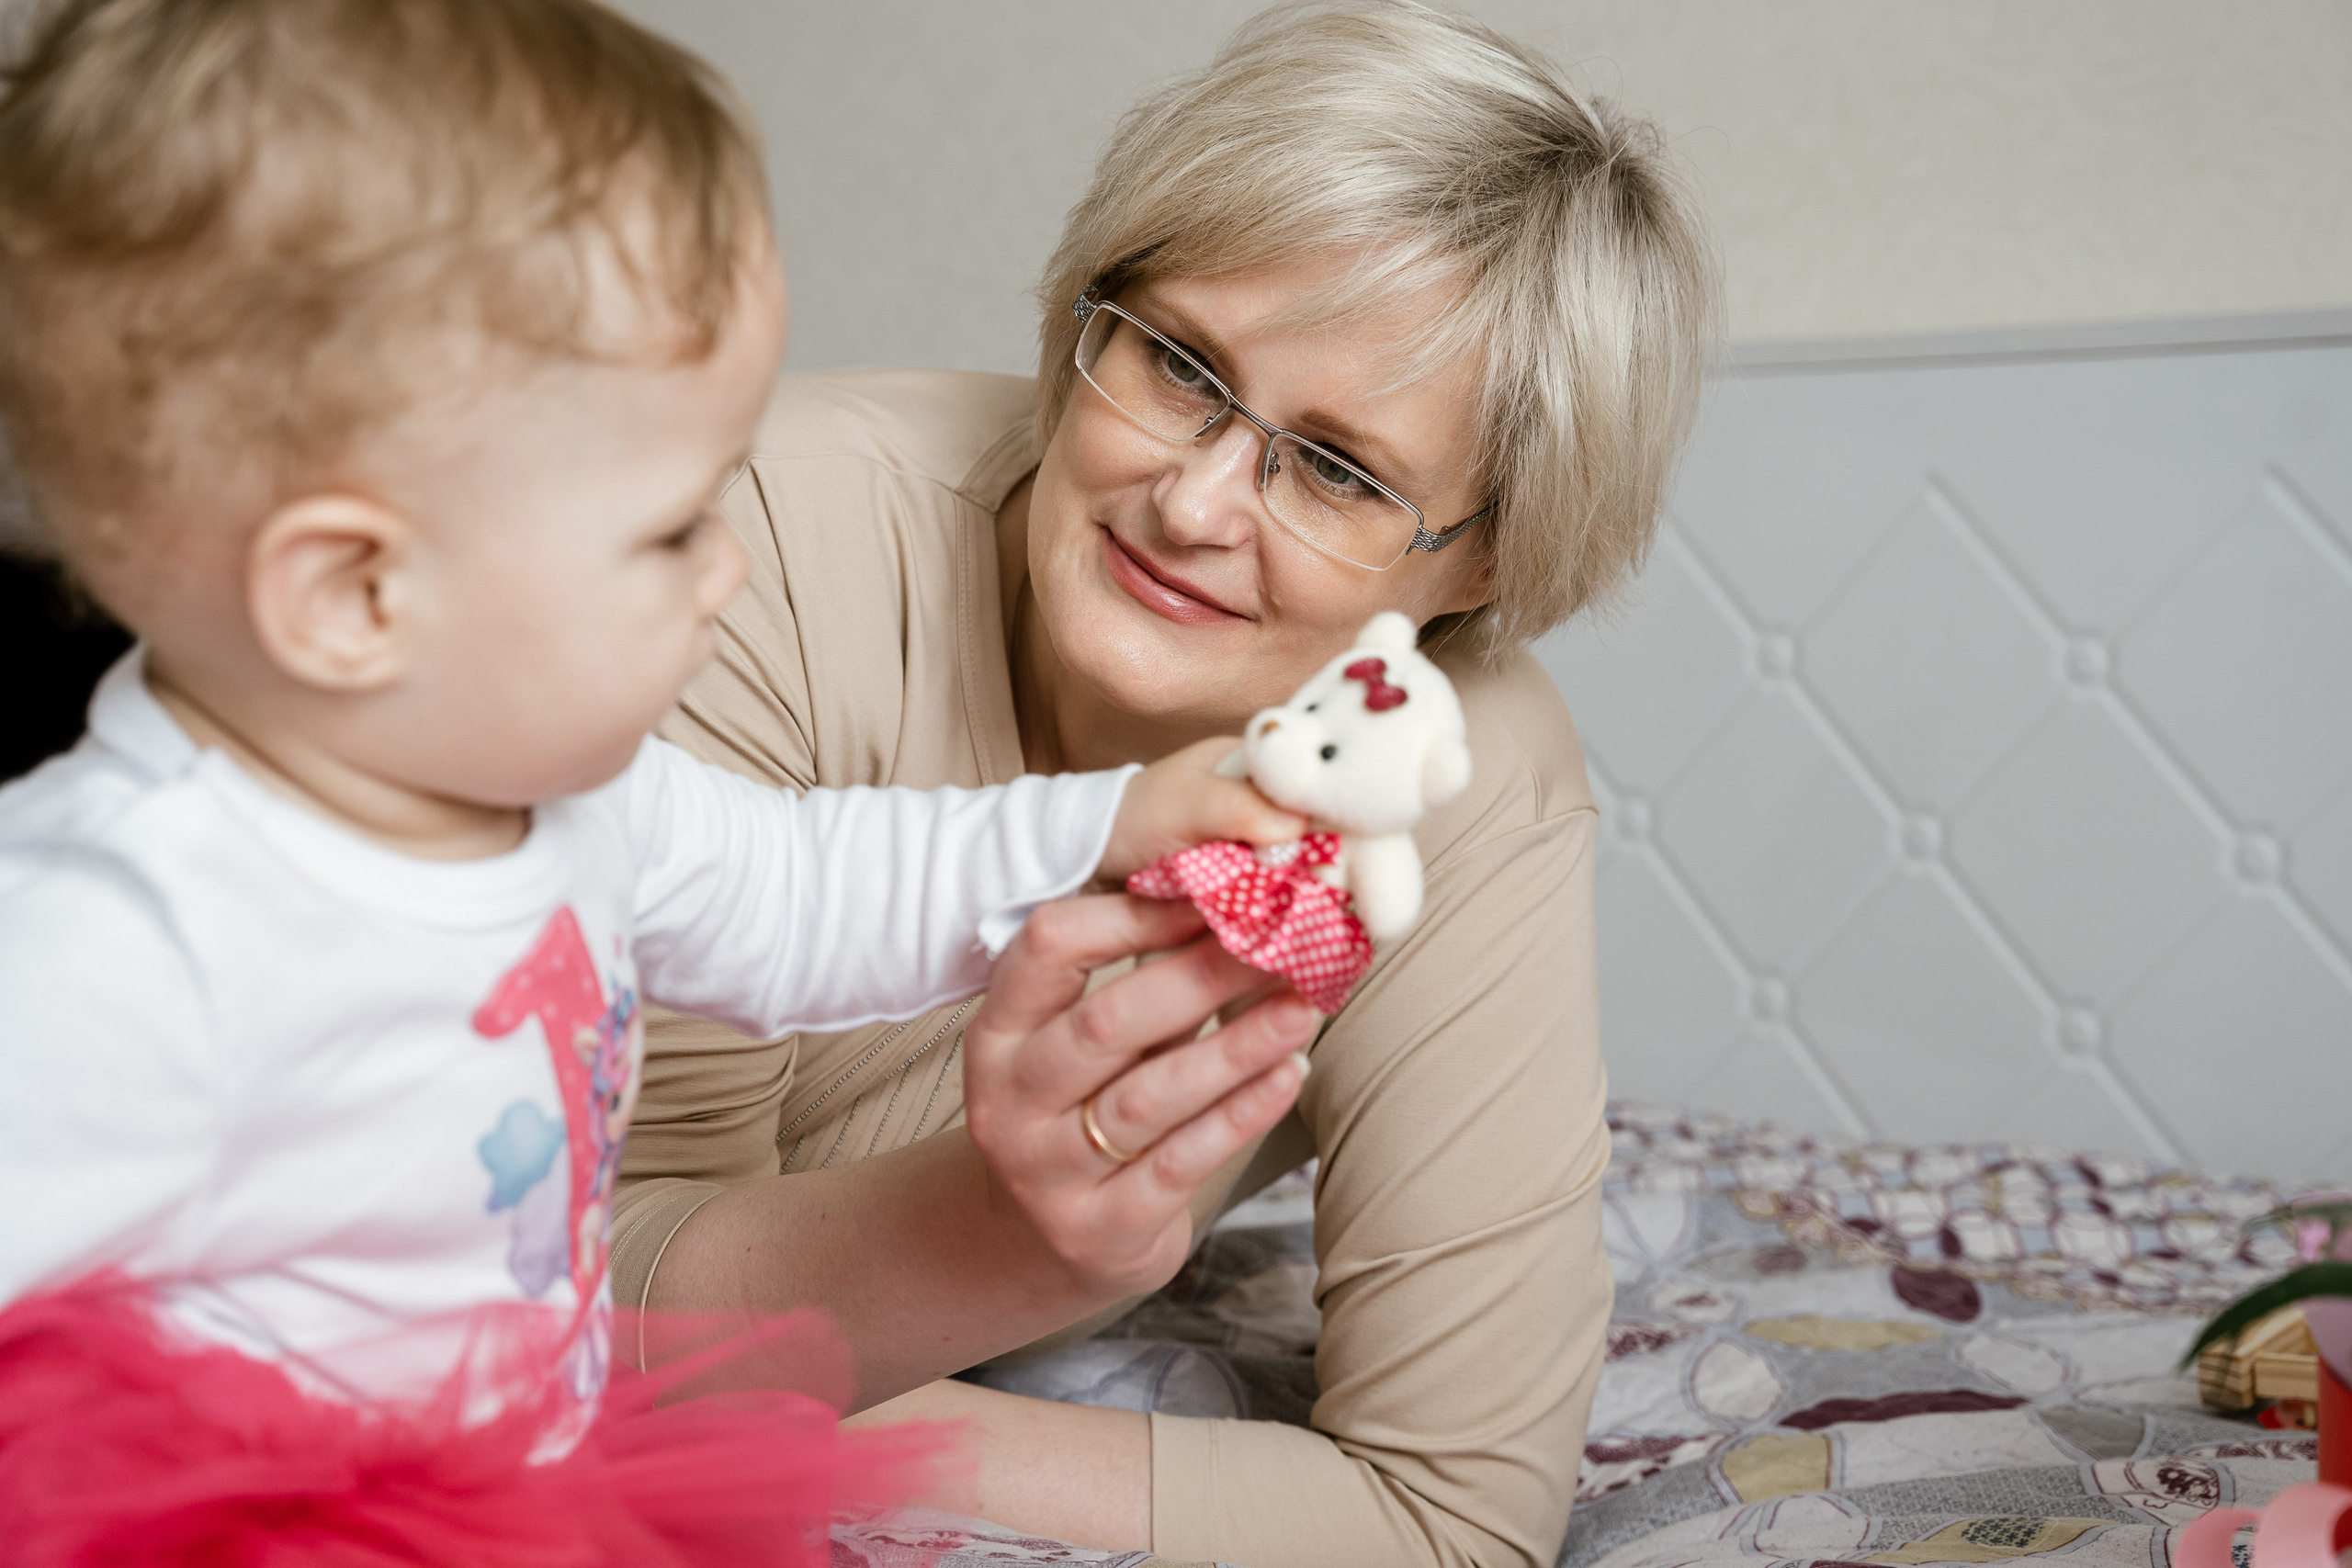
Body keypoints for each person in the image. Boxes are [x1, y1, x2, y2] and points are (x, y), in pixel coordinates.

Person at [0, 0, 1320, 1554]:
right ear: (356, 599)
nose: (732, 567)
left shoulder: (574, 799)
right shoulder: (118, 934)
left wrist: (1116, 821)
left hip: (515, 1484)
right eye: (672, 526)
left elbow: (818, 890)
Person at [617, 3, 1718, 1565]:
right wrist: (997, 1242)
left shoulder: (1461, 773)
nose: (1194, 502)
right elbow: (568, 1310)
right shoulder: (747, 545)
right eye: (1182, 364)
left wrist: (793, 1407)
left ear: (1483, 562)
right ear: (1093, 307)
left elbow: (1455, 1521)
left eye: (1338, 470)